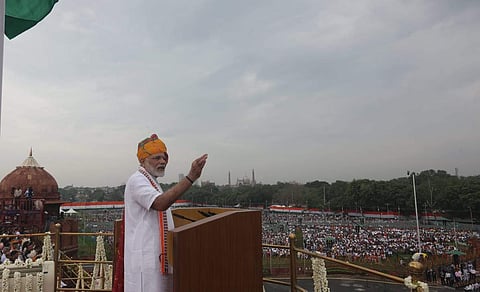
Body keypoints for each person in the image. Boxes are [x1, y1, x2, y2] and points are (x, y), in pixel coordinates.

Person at [123, 134, 208, 292]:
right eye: (156, 158)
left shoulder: (153, 182)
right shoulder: (137, 180)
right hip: (146, 261)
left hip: (158, 259)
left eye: (164, 158)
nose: (162, 162)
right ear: (143, 160)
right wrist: (191, 177)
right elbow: (160, 203)